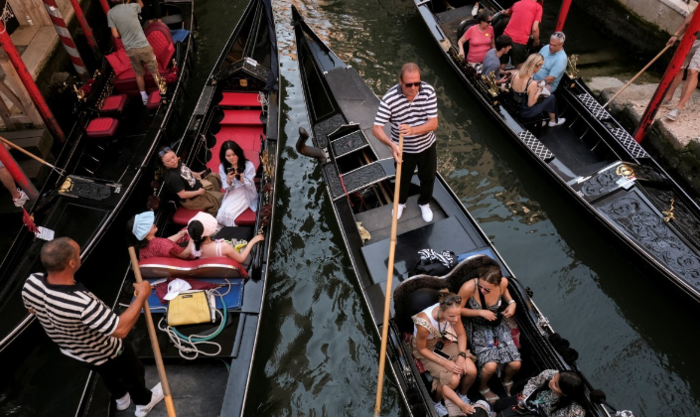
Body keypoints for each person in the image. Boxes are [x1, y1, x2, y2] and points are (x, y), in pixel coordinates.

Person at [21, 238, 164, 416]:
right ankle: (144, 403)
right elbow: (120, 330)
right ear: (72, 263)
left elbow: (31, 309)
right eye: (78, 254)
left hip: (75, 352)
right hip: (109, 350)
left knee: (105, 372)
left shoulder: (31, 283)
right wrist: (142, 295)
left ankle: (121, 399)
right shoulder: (82, 303)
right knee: (133, 372)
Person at [373, 63, 438, 222]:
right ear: (400, 81)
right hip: (403, 149)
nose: (414, 88)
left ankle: (424, 203)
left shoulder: (428, 91)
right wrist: (392, 145)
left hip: (427, 145)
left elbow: (433, 123)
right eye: (409, 84)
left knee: (428, 177)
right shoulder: (390, 98)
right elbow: (376, 129)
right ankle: (400, 203)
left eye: (417, 83)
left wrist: (413, 130)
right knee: (402, 178)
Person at [454, 256, 521, 404]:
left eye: (487, 289)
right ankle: (483, 386)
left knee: (516, 364)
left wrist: (512, 303)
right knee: (490, 366)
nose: (483, 290)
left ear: (497, 284)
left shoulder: (503, 283)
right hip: (476, 325)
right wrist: (479, 312)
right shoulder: (468, 288)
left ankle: (506, 380)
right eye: (481, 286)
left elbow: (507, 296)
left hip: (496, 324)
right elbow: (457, 310)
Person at [412, 289, 477, 416]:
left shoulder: (453, 313)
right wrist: (445, 363)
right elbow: (421, 349)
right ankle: (436, 401)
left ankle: (462, 395)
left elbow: (461, 335)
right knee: (453, 380)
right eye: (452, 317)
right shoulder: (424, 323)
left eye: (458, 315)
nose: (456, 319)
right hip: (426, 349)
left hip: (441, 341)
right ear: (441, 311)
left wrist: (462, 356)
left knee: (471, 370)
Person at [108, 0, 161, 105]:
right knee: (154, 71)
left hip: (130, 49)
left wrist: (123, 33)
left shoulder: (110, 13)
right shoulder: (132, 7)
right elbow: (142, 4)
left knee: (139, 74)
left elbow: (115, 35)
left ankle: (144, 97)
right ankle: (163, 92)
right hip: (143, 46)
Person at [159, 146, 223, 215]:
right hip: (192, 198)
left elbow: (186, 170)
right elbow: (182, 195)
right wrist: (198, 192)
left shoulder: (177, 163)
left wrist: (196, 174)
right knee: (219, 199)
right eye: (168, 161)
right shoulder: (173, 177)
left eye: (173, 157)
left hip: (196, 184)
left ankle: (214, 194)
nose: (173, 161)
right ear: (164, 164)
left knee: (214, 177)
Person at [492, 370, 586, 417]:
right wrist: (525, 396)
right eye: (554, 377)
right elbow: (533, 383)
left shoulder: (575, 411)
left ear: (565, 393)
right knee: (499, 406)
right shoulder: (550, 374)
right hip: (530, 399)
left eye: (555, 384)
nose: (551, 380)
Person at [187, 212, 264, 264]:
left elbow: (184, 254)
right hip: (234, 263)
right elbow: (241, 259)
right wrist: (252, 241)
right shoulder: (223, 246)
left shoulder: (191, 245)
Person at [663, 7, 699, 121]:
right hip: (694, 34)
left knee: (693, 71)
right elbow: (693, 14)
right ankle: (668, 97)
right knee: (679, 66)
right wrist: (676, 34)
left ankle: (679, 107)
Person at [511, 54, 566, 127]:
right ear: (537, 66)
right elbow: (530, 104)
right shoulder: (531, 83)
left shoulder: (515, 74)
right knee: (551, 97)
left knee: (544, 97)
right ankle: (553, 121)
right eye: (541, 66)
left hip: (515, 106)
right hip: (526, 112)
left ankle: (544, 119)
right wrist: (539, 90)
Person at [217, 141, 258, 227]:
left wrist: (243, 179)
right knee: (221, 212)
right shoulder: (222, 166)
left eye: (234, 154)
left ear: (238, 153)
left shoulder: (248, 165)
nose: (231, 158)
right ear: (224, 156)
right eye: (228, 156)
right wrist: (229, 179)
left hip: (246, 192)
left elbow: (250, 185)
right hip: (233, 191)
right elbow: (226, 187)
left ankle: (232, 233)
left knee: (229, 213)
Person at [127, 211, 192, 259]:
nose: (153, 224)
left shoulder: (142, 250)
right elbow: (186, 254)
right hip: (185, 263)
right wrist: (193, 238)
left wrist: (180, 234)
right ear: (144, 232)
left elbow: (165, 243)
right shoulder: (162, 243)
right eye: (148, 225)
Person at [503, 0, 543, 68]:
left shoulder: (517, 3)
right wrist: (536, 41)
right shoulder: (538, 7)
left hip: (505, 36)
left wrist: (502, 12)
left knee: (502, 63)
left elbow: (507, 12)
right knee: (519, 66)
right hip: (519, 41)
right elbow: (535, 28)